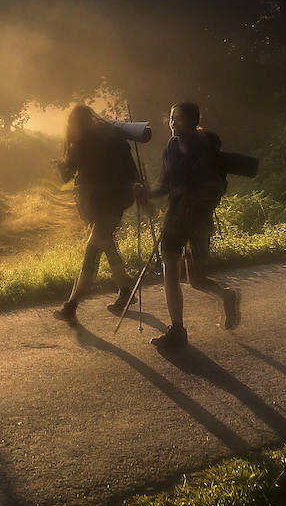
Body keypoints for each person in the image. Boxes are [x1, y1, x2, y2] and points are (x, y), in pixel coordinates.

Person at [145, 101, 239, 349]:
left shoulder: (206, 148)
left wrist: (192, 195)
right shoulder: (171, 147)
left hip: (198, 219)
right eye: (171, 118)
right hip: (175, 219)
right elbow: (164, 185)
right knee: (170, 270)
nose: (172, 123)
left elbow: (216, 186)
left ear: (192, 121)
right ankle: (177, 330)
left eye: (177, 118)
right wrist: (145, 193)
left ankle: (226, 295)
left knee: (196, 280)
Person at [52, 105, 146, 325]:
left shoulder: (80, 145)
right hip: (117, 202)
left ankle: (72, 305)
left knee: (92, 251)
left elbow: (65, 177)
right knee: (105, 245)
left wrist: (59, 166)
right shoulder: (114, 138)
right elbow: (132, 169)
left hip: (99, 207)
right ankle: (125, 289)